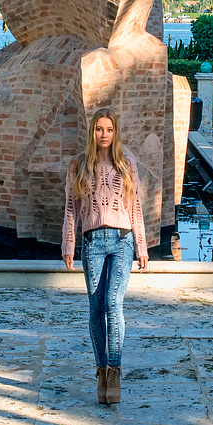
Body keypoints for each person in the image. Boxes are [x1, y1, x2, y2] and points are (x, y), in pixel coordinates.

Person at [61, 108, 149, 405]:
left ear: (115, 132)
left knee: (113, 302)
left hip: (122, 241)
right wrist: (68, 243)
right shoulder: (79, 164)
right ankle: (101, 372)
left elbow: (135, 207)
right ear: (93, 132)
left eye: (109, 130)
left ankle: (115, 371)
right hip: (91, 242)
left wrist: (142, 246)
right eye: (99, 129)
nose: (104, 135)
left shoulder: (127, 164)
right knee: (96, 307)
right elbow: (71, 208)